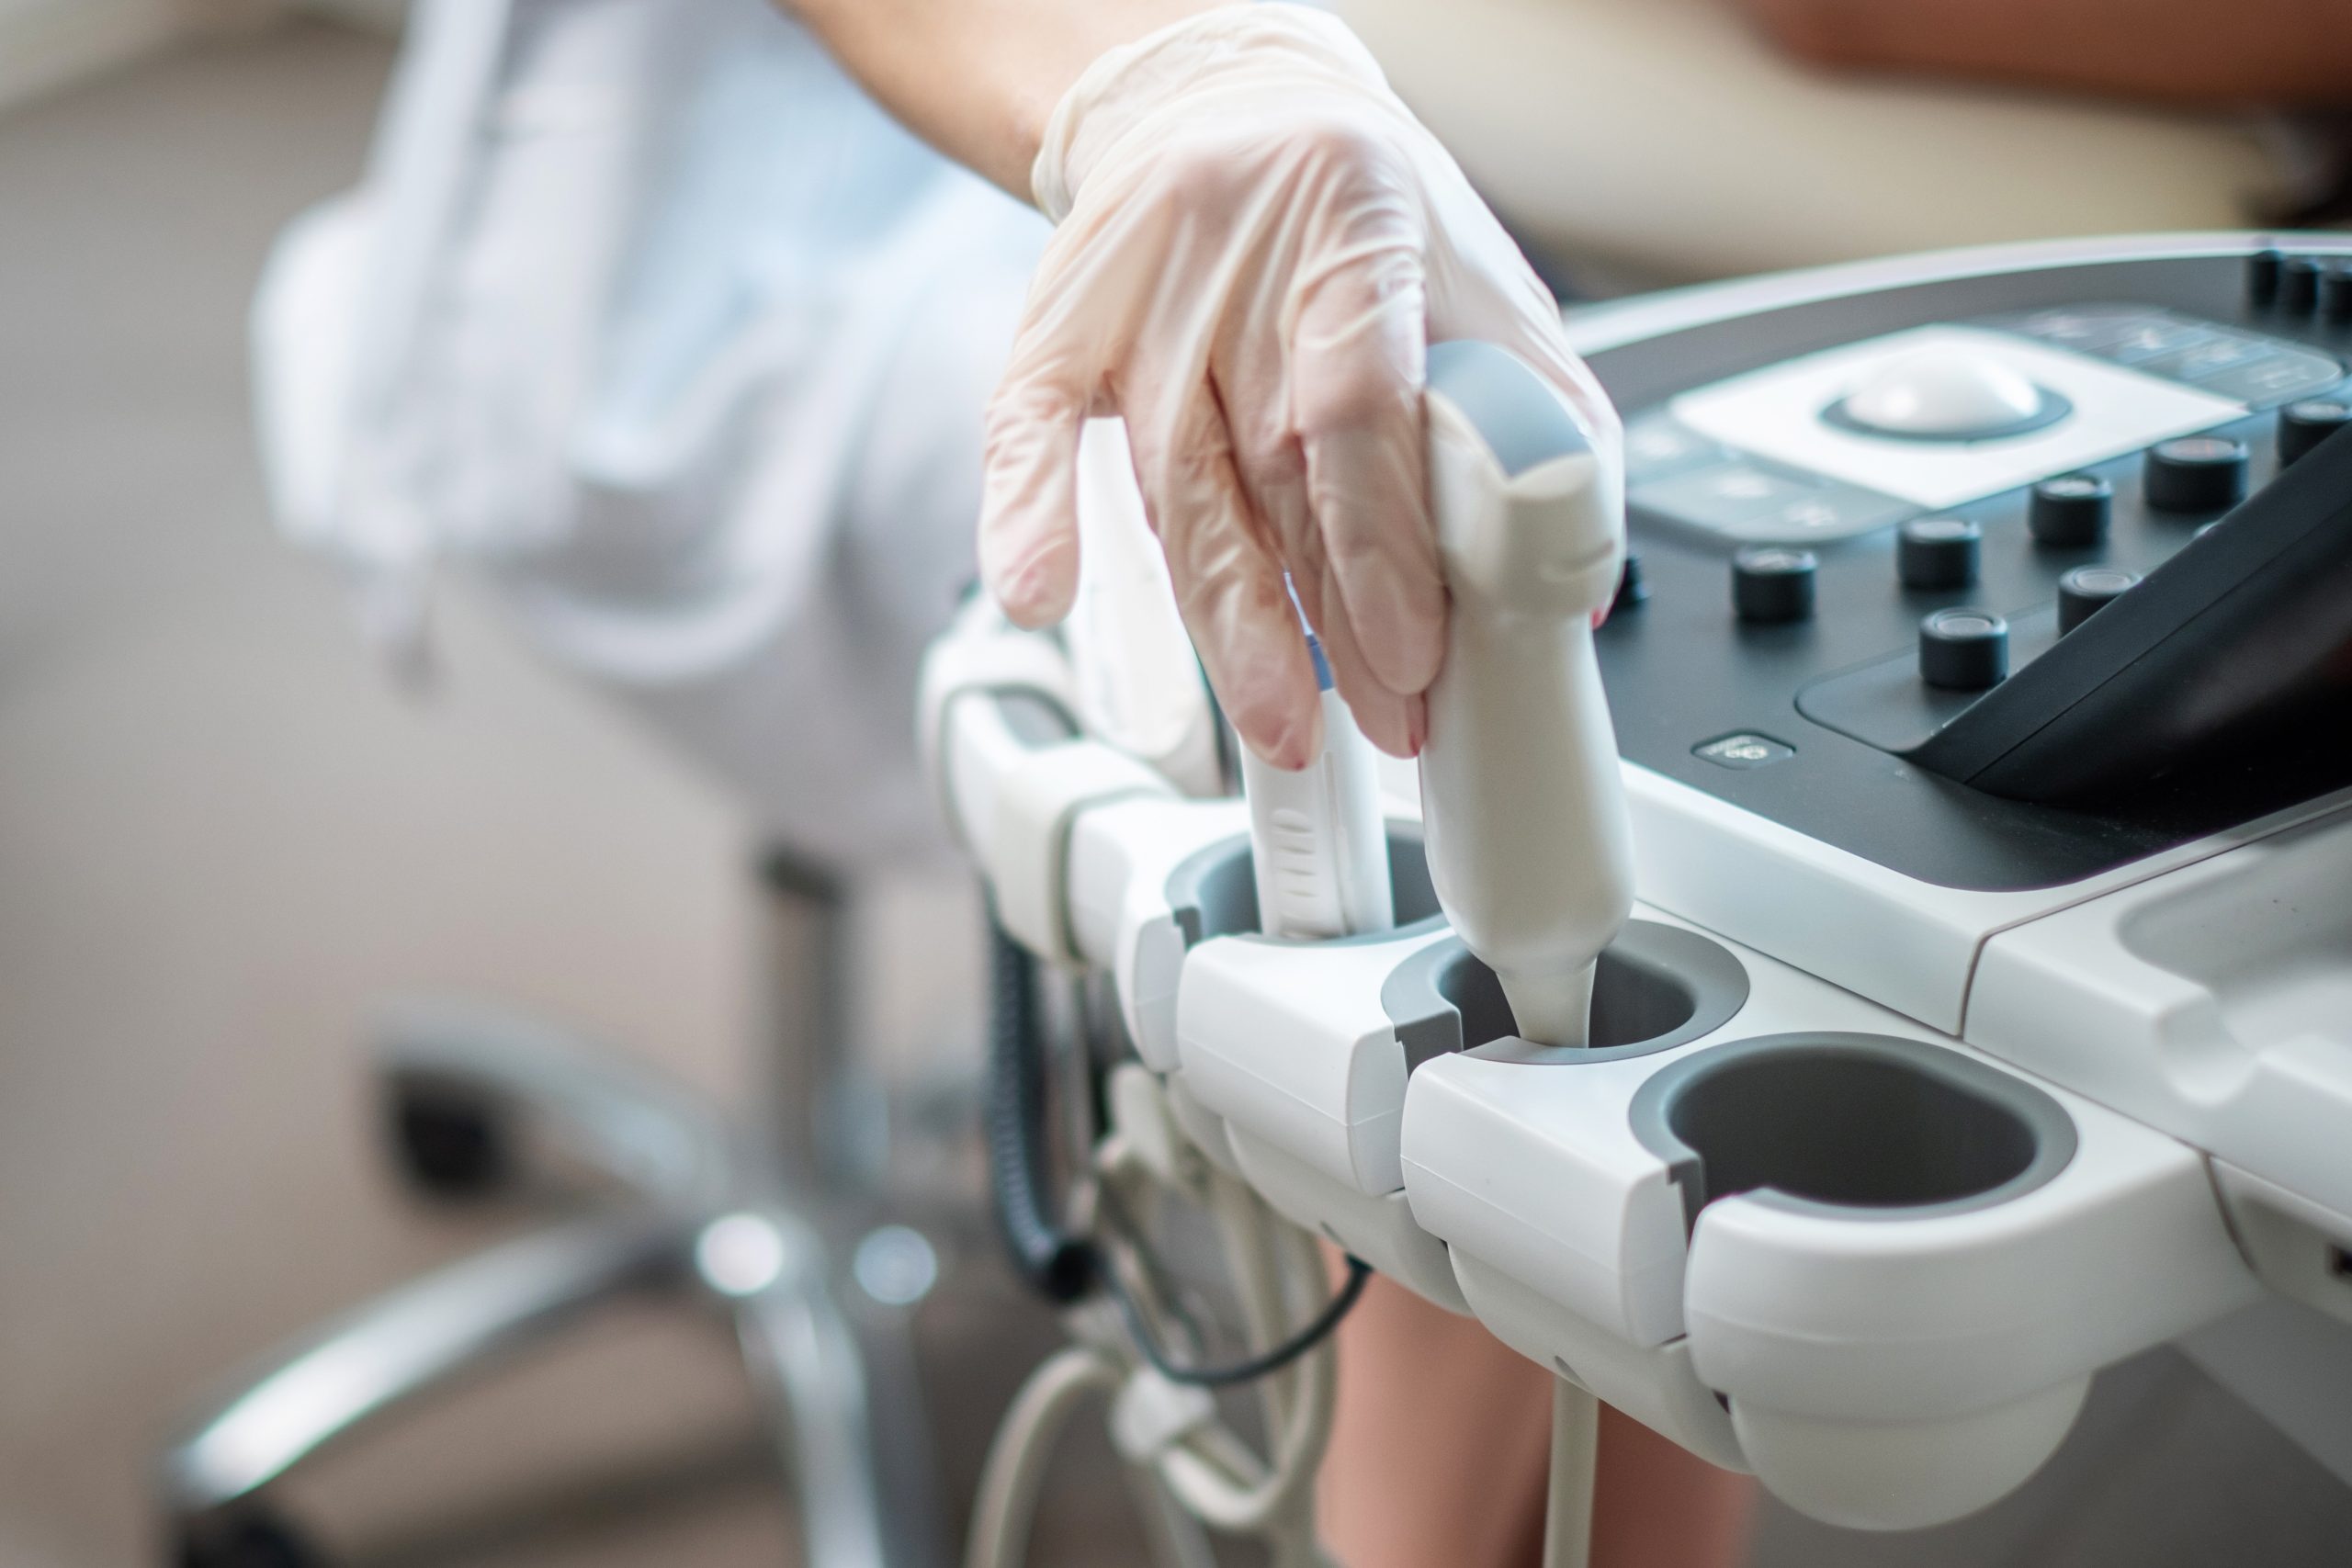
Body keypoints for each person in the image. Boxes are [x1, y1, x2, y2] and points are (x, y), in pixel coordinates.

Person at [259, 3, 2347, 1565]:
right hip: (712, 277)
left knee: (1549, 634)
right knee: (1405, 612)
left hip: (1174, 117)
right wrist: (1164, 70)